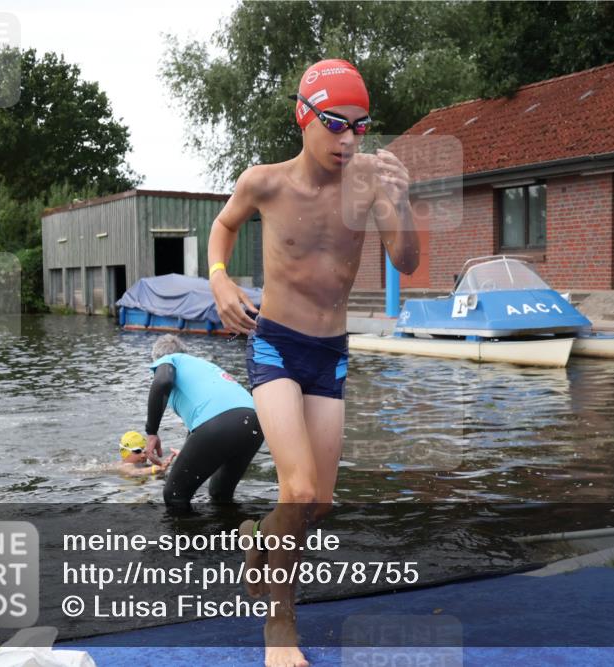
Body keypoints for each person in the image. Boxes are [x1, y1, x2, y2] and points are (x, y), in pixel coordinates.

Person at [208, 59, 419, 667]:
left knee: (317, 504)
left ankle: (256, 540)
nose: (350, 140)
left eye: (360, 126)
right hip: (274, 342)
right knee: (296, 489)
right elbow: (222, 228)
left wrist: (400, 205)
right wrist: (220, 281)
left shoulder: (368, 186)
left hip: (329, 354)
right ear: (305, 117)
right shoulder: (265, 183)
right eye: (336, 124)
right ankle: (280, 633)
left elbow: (405, 261)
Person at [142, 334, 263, 508]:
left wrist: (151, 432)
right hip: (255, 422)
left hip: (222, 423)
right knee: (220, 494)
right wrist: (187, 453)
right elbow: (205, 418)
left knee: (175, 496)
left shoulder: (170, 359)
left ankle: (190, 536)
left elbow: (162, 381)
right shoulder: (204, 367)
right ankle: (235, 532)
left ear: (156, 359)